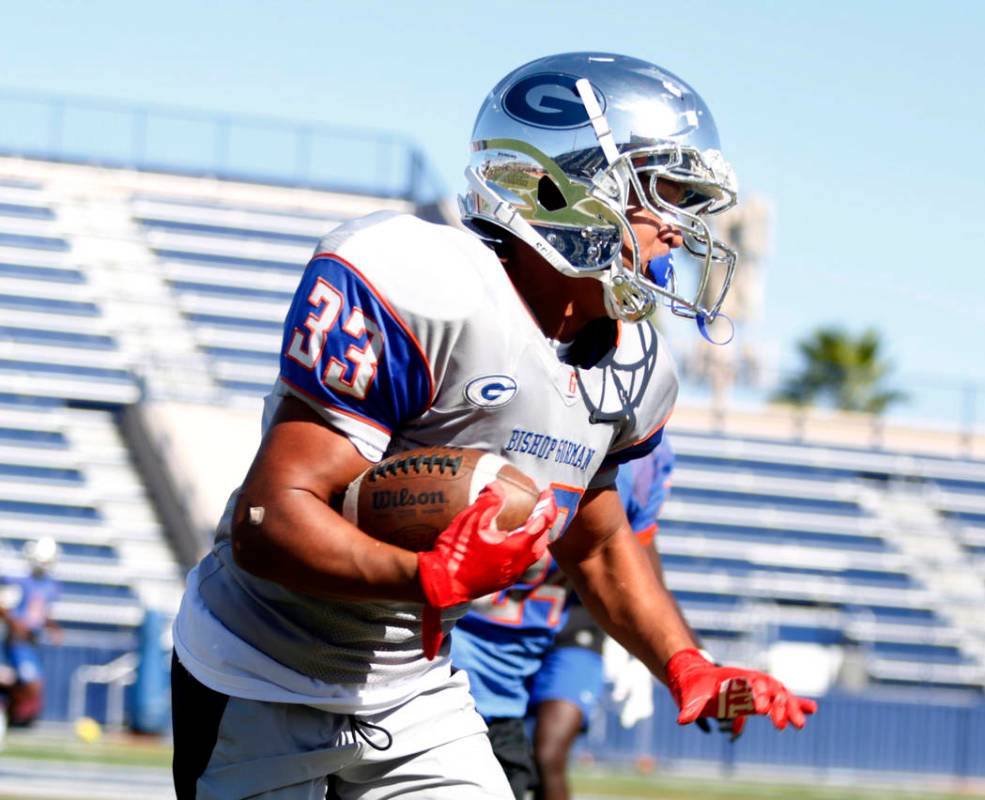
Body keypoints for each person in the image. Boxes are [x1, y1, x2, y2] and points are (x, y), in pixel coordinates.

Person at [170, 52, 816, 799]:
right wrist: (427, 578)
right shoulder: (419, 278)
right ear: (561, 184)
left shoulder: (638, 362)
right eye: (663, 192)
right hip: (256, 664)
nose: (680, 227)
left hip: (412, 684)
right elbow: (267, 520)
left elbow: (600, 541)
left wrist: (684, 662)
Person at [452, 440, 676, 800]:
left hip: (572, 619)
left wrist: (678, 657)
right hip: (488, 628)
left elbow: (631, 558)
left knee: (547, 753)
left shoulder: (641, 462)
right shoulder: (509, 437)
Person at [0, 537, 62, 730]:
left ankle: (9, 716)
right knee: (28, 683)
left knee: (29, 685)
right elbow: (3, 606)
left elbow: (41, 613)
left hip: (32, 642)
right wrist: (14, 622)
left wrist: (53, 627)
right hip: (16, 641)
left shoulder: (51, 586)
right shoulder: (18, 581)